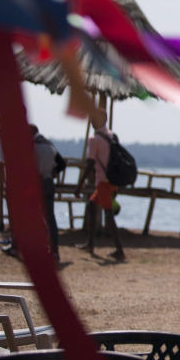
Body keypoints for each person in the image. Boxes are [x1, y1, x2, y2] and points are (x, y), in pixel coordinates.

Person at [76, 109, 125, 260]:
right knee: (91, 205)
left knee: (109, 215)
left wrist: (80, 183)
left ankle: (119, 250)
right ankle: (90, 243)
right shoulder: (112, 136)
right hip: (111, 179)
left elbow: (90, 162)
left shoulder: (94, 139)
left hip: (103, 181)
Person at [31, 124, 66, 263]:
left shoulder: (31, 146)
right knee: (51, 218)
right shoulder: (49, 145)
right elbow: (62, 163)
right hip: (49, 182)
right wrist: (53, 173)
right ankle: (55, 251)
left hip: (37, 183)